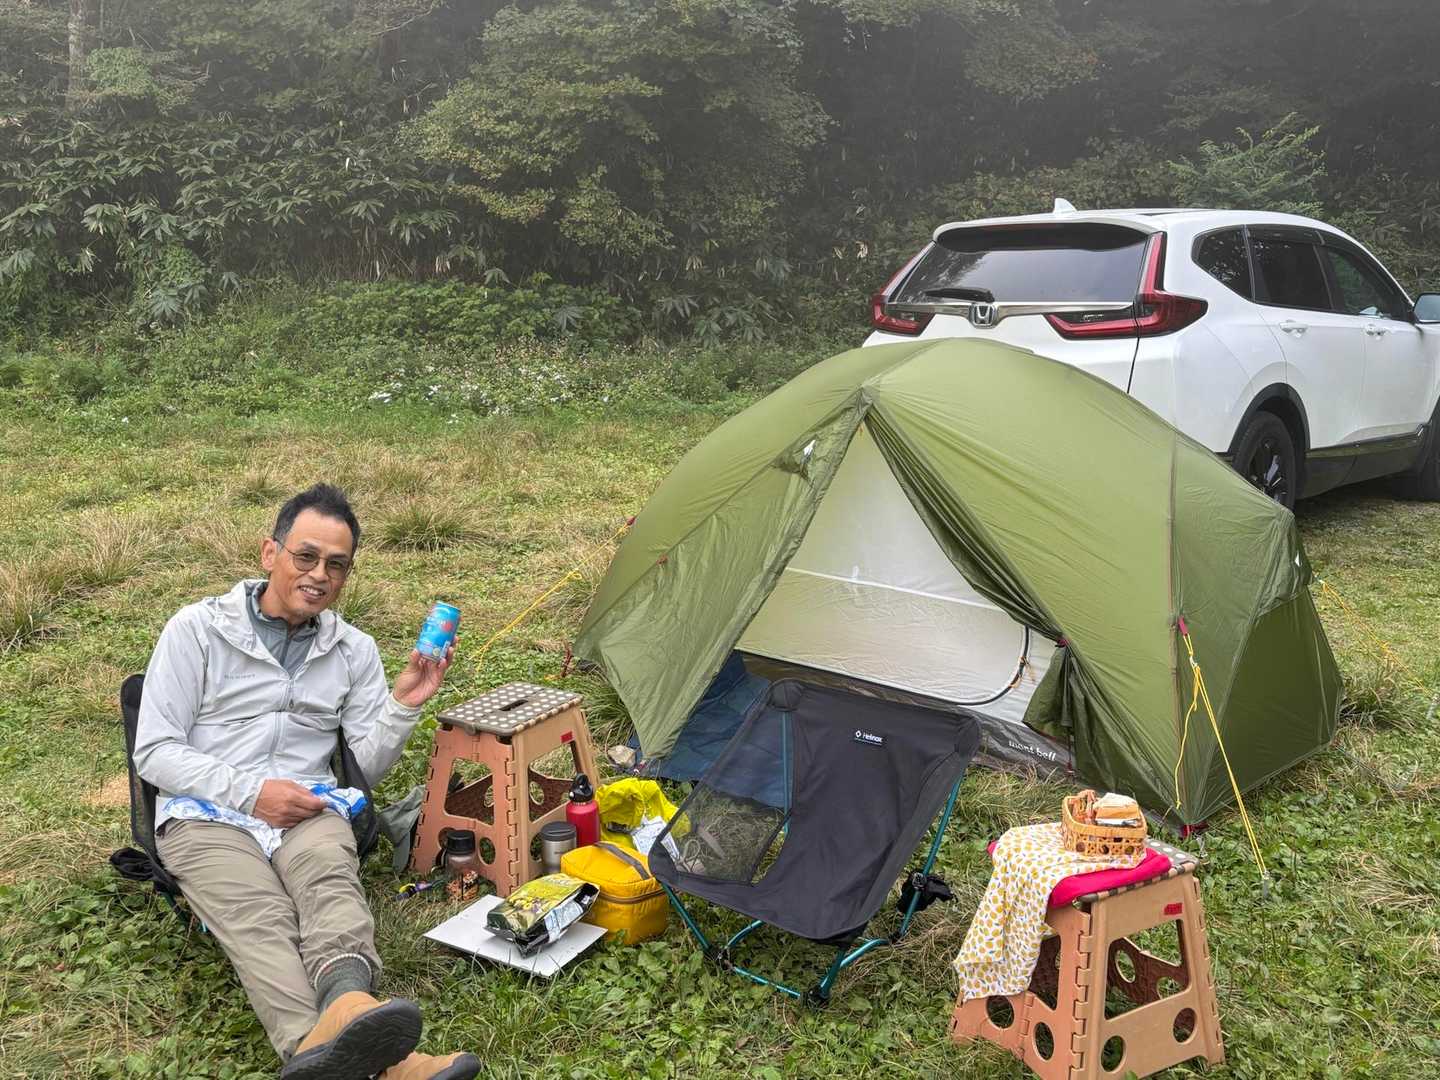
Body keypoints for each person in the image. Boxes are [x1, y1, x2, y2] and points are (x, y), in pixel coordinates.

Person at [134, 484, 480, 1080]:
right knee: (260, 914)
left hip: (307, 804)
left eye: (336, 565)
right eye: (306, 556)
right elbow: (155, 751)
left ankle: (344, 1008)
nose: (320, 575)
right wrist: (250, 793)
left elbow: (362, 771)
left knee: (329, 883)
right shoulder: (196, 630)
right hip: (206, 810)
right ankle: (370, 1060)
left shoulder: (353, 649)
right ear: (270, 552)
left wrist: (404, 703)